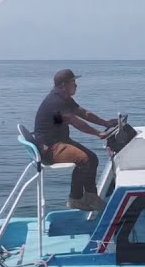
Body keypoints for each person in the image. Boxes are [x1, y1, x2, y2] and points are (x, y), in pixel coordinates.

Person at [32, 69, 117, 212]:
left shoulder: (65, 98)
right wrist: (97, 133)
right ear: (64, 85)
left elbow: (84, 113)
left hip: (61, 141)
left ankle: (91, 197)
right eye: (73, 82)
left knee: (93, 158)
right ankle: (75, 199)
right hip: (49, 147)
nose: (76, 85)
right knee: (84, 159)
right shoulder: (56, 101)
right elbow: (74, 121)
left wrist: (106, 123)